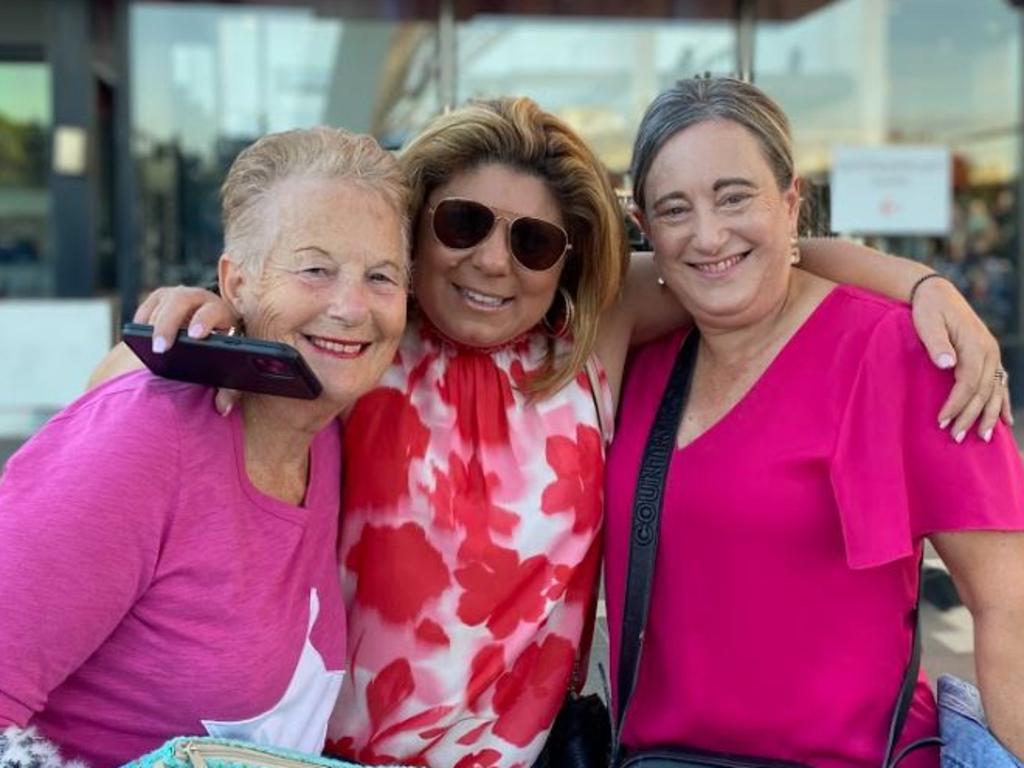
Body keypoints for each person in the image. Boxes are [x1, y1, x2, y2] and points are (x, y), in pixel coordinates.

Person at [94, 97, 1011, 768]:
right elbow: (115, 415)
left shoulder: (587, 342)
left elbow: (755, 257)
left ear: (570, 256)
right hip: (323, 759)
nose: (495, 260)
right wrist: (214, 310)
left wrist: (923, 287)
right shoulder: (361, 343)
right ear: (414, 232)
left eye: (534, 241)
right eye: (461, 224)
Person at [605, 76, 1024, 768]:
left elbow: (1010, 610)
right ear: (646, 229)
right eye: (675, 209)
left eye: (734, 196)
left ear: (791, 200)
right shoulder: (636, 361)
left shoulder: (909, 354)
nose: (709, 235)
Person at [0, 126, 410, 768]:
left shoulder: (325, 434)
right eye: (314, 268)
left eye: (382, 276)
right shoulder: (149, 434)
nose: (353, 306)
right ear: (236, 283)